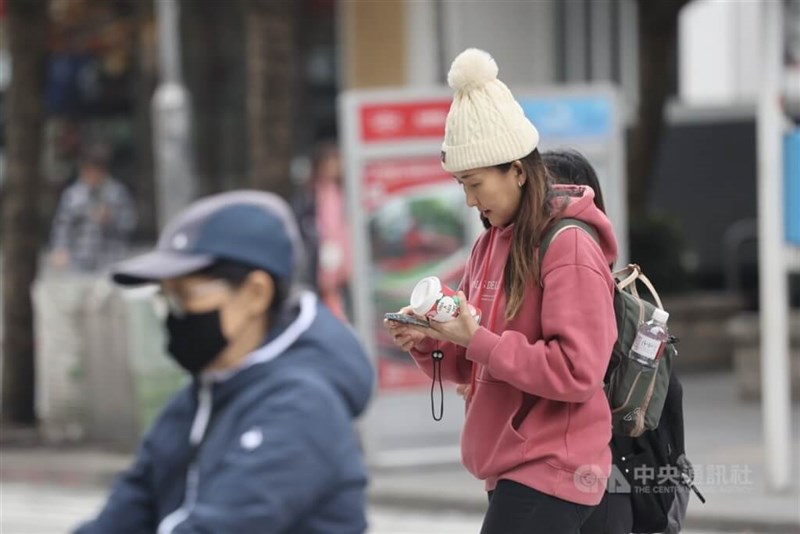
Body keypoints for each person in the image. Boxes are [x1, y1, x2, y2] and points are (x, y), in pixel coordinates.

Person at [385, 49, 619, 533]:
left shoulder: (568, 244)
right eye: (460, 184)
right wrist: (428, 339)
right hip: (513, 470)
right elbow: (469, 363)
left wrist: (478, 340)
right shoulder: (488, 245)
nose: (469, 199)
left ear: (516, 169)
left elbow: (577, 372)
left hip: (553, 469)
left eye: (474, 183)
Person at [74, 191, 374, 534]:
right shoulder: (202, 395)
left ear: (255, 294)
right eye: (166, 299)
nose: (175, 316)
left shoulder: (302, 406)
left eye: (186, 297)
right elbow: (128, 509)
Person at [50, 142, 137, 272]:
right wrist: (60, 248)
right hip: (79, 260)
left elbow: (130, 223)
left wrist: (111, 218)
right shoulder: (73, 195)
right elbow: (62, 225)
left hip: (112, 259)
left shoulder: (117, 193)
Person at [291, 141, 352, 320]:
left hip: (346, 255)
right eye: (329, 162)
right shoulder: (311, 193)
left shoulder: (345, 190)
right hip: (322, 255)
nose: (334, 167)